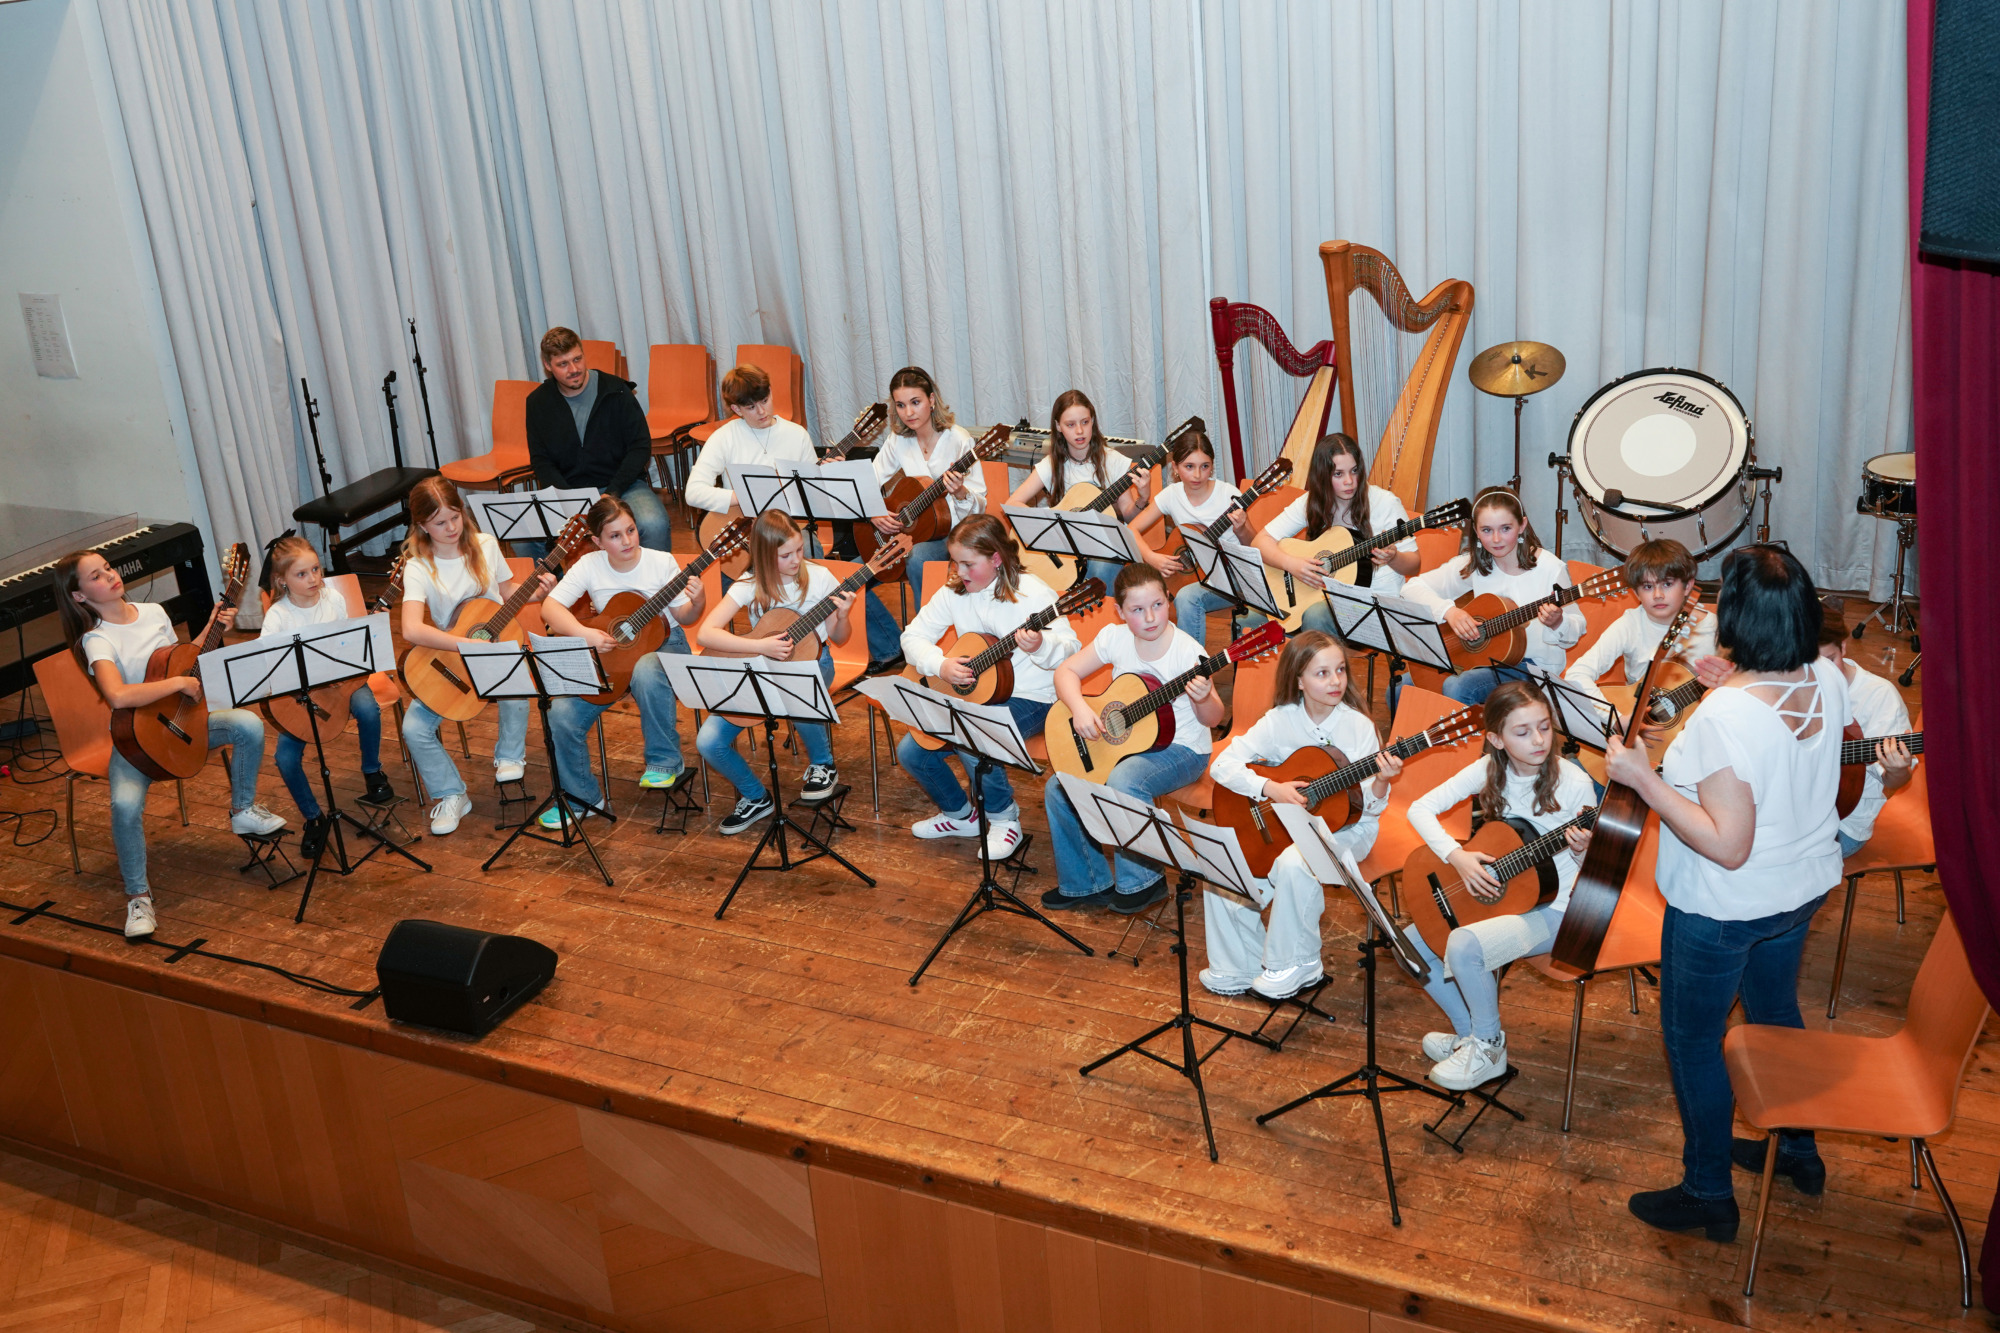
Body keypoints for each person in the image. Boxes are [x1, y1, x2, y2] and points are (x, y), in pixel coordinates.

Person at [1605, 545, 1846, 1241]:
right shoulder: (1825, 676)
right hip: (1801, 887)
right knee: (1773, 1012)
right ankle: (1797, 1150)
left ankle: (1707, 1191)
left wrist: (1642, 778)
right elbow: (1774, 742)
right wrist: (1728, 681)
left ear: (1736, 618)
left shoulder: (1724, 718)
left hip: (1724, 907)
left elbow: (1727, 843)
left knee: (1693, 1040)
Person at [56, 550, 287, 939]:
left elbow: (179, 662)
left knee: (247, 724)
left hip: (183, 724)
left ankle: (243, 809)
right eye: (95, 576)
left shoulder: (154, 613)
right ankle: (138, 898)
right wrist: (179, 684)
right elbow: (118, 695)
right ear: (79, 596)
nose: (109, 576)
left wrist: (212, 628)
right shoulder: (97, 639)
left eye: (108, 567)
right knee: (124, 806)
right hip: (135, 740)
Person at [1404, 681, 1595, 1089]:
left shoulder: (1574, 783)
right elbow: (1420, 808)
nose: (1539, 740)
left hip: (1560, 909)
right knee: (1410, 944)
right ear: (1496, 739)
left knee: (1463, 945)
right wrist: (1458, 857)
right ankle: (1469, 1036)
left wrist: (1582, 851)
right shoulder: (1490, 769)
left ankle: (1489, 1047)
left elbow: (1595, 871)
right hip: (1516, 899)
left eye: (1544, 727)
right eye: (1522, 732)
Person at [1205, 631, 1402, 999]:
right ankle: (1237, 965)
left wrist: (1381, 781)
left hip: (1349, 829)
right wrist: (1271, 788)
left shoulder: (1358, 727)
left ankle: (1299, 963)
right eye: (1322, 673)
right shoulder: (1280, 719)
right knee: (1223, 863)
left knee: (1295, 862)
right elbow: (1222, 765)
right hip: (1286, 825)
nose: (1335, 681)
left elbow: (1369, 809)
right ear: (1298, 680)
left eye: (1340, 670)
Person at [898, 514, 1079, 861]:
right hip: (977, 699)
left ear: (996, 558)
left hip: (1033, 698)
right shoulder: (955, 591)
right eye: (955, 562)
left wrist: (1041, 645)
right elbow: (913, 637)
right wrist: (940, 665)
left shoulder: (1032, 593)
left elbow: (1070, 649)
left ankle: (1004, 818)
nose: (959, 571)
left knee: (973, 734)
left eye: (969, 564)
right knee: (912, 751)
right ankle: (960, 815)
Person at [1042, 564, 1217, 915]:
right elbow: (1065, 672)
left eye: (1158, 605)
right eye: (1137, 610)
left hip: (1183, 749)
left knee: (1124, 780)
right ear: (1120, 612)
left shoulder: (1187, 652)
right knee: (1059, 786)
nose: (1150, 617)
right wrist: (1079, 709)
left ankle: (1144, 881)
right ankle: (1086, 883)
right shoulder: (1114, 637)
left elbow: (1213, 719)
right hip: (1126, 743)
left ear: (1169, 600)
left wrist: (1203, 699)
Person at [535, 495, 706, 829]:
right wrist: (586, 634)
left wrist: (698, 601)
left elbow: (685, 617)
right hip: (612, 654)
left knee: (646, 668)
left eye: (631, 530)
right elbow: (549, 608)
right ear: (598, 541)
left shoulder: (660, 562)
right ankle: (582, 798)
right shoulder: (589, 565)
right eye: (615, 536)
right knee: (561, 713)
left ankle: (665, 762)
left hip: (665, 648)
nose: (627, 540)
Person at [398, 476, 550, 836]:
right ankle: (452, 794)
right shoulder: (418, 566)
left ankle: (509, 755)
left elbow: (506, 592)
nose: (451, 528)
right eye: (440, 523)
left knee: (516, 686)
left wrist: (540, 591)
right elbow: (411, 629)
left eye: (455, 517)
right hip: (451, 658)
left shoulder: (485, 545)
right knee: (413, 729)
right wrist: (463, 645)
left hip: (493, 650)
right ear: (422, 525)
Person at [694, 511, 848, 832]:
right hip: (761, 670)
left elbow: (840, 637)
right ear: (765, 556)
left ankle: (823, 765)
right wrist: (760, 646)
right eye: (786, 555)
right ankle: (756, 797)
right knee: (708, 742)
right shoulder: (749, 584)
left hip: (815, 663)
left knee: (800, 687)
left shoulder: (820, 578)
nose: (796, 560)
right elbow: (706, 634)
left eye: (799, 550)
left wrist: (843, 616)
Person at [256, 534, 394, 858]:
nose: (313, 579)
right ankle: (313, 817)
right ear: (282, 580)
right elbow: (267, 665)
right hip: (301, 696)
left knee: (368, 709)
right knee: (285, 758)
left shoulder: (333, 599)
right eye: (302, 574)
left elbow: (348, 645)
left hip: (342, 683)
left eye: (316, 569)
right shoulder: (278, 616)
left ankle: (372, 771)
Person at [859, 366, 985, 674]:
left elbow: (980, 504)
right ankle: (890, 647)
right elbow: (867, 481)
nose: (908, 412)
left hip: (953, 535)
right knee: (847, 575)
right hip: (909, 536)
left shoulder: (958, 440)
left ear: (931, 400)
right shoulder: (898, 440)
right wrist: (875, 513)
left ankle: (924, 645)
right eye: (901, 405)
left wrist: (960, 493)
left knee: (917, 558)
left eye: (915, 402)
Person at [1404, 487, 1582, 705]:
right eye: (1487, 530)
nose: (1496, 539)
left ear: (1522, 525)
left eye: (1505, 528)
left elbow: (1577, 626)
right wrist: (1449, 612)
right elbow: (1412, 588)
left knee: (1459, 687)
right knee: (1401, 689)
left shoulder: (1550, 568)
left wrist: (1558, 623)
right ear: (1476, 531)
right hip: (1483, 661)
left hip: (1534, 669)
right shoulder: (1476, 563)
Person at [1252, 433, 1418, 638]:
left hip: (1375, 604)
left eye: (1354, 471)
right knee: (1248, 619)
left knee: (1315, 616)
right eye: (1338, 474)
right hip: (1319, 596)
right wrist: (1292, 564)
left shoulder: (1385, 503)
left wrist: (1394, 558)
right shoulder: (1311, 502)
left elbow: (1415, 565)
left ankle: (1314, 656)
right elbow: (1260, 541)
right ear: (1322, 475)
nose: (1349, 481)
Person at [524, 327, 670, 552]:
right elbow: (541, 460)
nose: (574, 369)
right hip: (568, 491)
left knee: (654, 524)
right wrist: (568, 498)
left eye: (577, 359)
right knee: (524, 535)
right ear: (548, 365)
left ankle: (655, 576)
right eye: (563, 364)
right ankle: (561, 575)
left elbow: (640, 447)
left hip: (623, 487)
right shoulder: (537, 403)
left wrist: (612, 491)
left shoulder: (616, 391)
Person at [1005, 390, 1148, 591]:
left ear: (1093, 421)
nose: (1079, 431)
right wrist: (1050, 522)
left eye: (1085, 422)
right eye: (1070, 425)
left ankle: (1097, 611)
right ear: (1058, 426)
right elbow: (1012, 504)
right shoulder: (1052, 465)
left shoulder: (1113, 461)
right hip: (1066, 553)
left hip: (1103, 549)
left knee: (1101, 568)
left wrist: (1142, 498)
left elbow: (1128, 515)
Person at [1128, 428, 1256, 634]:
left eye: (1205, 466)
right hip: (1196, 575)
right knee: (1136, 587)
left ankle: (1190, 655)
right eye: (1189, 466)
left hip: (1232, 576)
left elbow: (1253, 547)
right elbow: (1132, 529)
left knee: (1187, 597)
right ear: (1175, 467)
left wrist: (1241, 528)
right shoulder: (1172, 495)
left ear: (1212, 466)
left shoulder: (1228, 495)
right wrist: (1151, 558)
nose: (1197, 475)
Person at [1816, 598, 1916, 857]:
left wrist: (1897, 769)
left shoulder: (1877, 696)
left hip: (1842, 825)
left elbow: (1895, 780)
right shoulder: (1786, 681)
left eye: (1830, 660)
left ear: (1843, 646)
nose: (1821, 674)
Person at [1561, 538, 1717, 703]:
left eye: (1667, 584)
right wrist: (1614, 716)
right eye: (1648, 587)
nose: (1658, 595)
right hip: (1637, 713)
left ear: (1687, 586)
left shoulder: (1713, 628)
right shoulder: (1630, 624)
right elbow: (1577, 674)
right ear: (1636, 593)